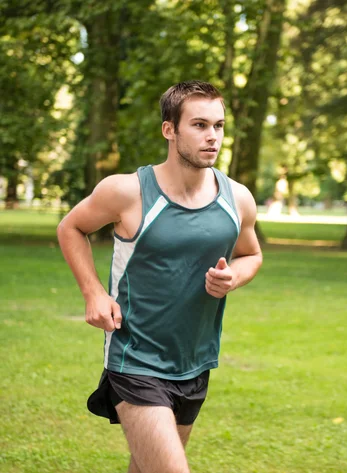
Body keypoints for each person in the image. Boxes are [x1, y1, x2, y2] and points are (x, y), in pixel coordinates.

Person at [57, 80, 263, 473]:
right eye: (199, 125)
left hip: (195, 360)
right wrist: (93, 293)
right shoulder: (128, 191)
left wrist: (233, 277)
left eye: (218, 126)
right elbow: (71, 227)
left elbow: (251, 254)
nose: (212, 137)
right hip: (135, 358)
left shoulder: (237, 197)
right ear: (169, 129)